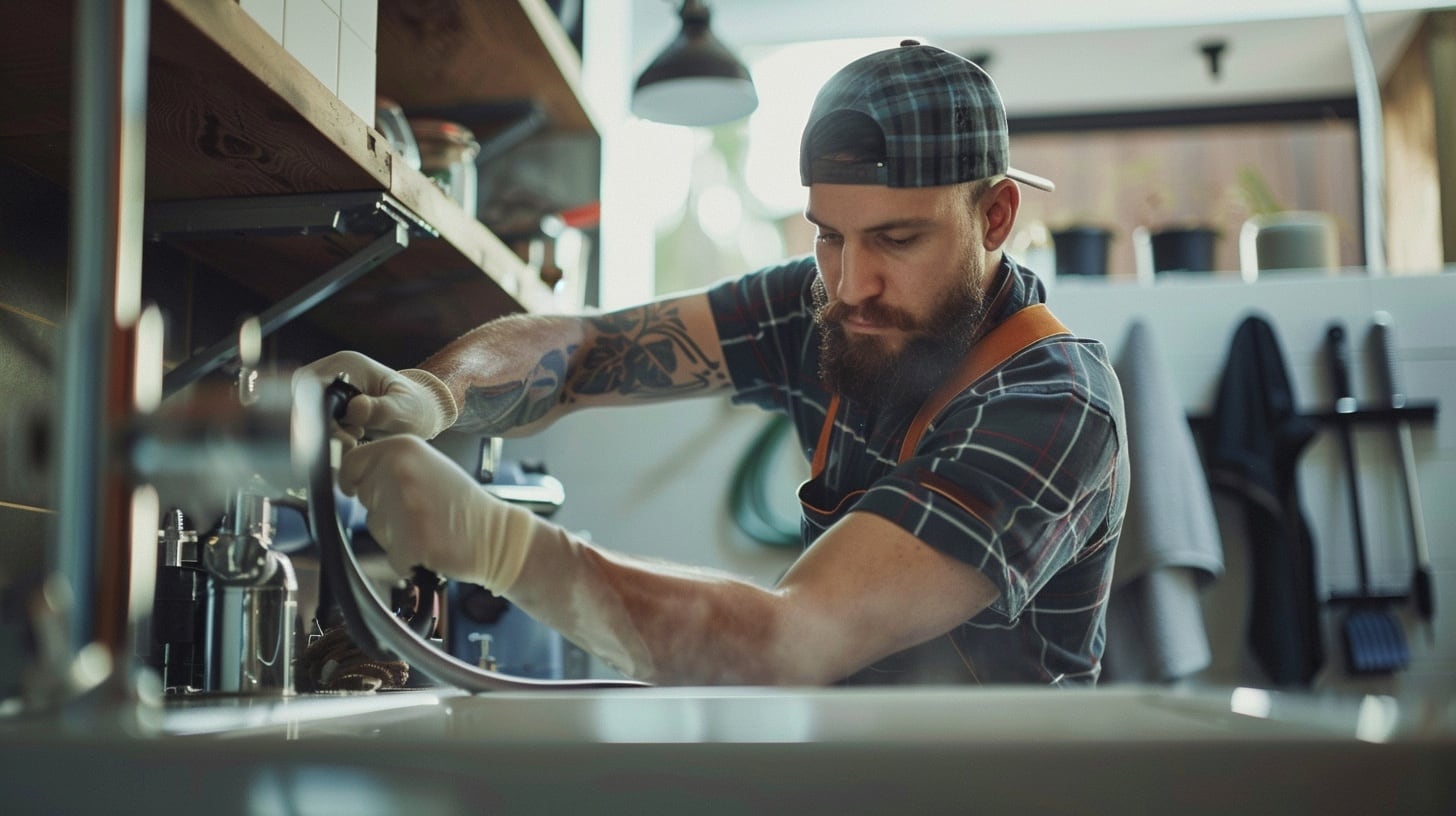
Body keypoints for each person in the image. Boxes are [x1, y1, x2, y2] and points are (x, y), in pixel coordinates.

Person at [299, 41, 1129, 686]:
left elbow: (791, 638)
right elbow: (590, 346)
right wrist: (435, 392)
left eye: (897, 239)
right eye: (829, 235)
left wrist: (504, 549)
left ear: (995, 215)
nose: (851, 283)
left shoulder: (1055, 406)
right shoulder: (835, 308)